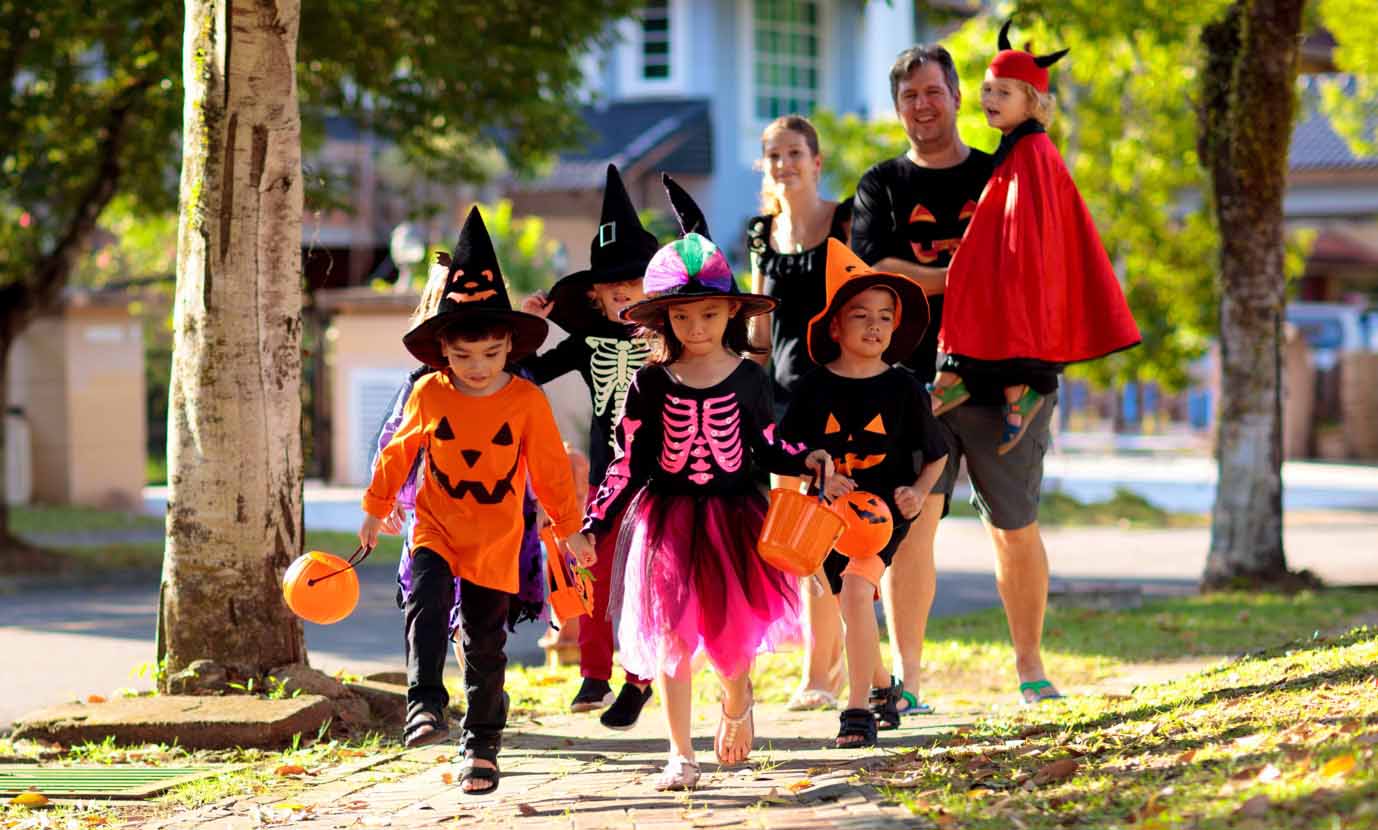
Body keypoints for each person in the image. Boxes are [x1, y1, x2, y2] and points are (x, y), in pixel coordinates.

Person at [850, 43, 1064, 707]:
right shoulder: (881, 185)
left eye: (933, 91)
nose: (922, 105)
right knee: (912, 523)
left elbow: (1032, 255)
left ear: (958, 97)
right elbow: (874, 270)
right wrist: (959, 277)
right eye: (909, 95)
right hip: (914, 381)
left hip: (1004, 374)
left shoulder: (1003, 169)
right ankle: (909, 681)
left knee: (1014, 524)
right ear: (897, 107)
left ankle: (1030, 667)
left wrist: (933, 280)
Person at [583, 229, 832, 791]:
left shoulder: (748, 376)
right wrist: (593, 522)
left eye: (710, 315)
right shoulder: (649, 383)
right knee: (669, 632)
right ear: (663, 320)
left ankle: (737, 698)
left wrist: (808, 455)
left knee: (727, 632)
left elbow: (769, 441)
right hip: (666, 522)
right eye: (683, 317)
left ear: (731, 313)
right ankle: (680, 754)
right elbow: (627, 461)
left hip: (734, 517)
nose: (697, 329)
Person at [359, 207, 595, 794]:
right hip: (437, 523)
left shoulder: (523, 401)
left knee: (485, 644)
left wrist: (570, 530)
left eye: (490, 355)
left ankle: (482, 745)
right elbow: (397, 451)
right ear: (442, 352)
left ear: (509, 347)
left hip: (496, 537)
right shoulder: (431, 394)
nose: (477, 369)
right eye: (463, 358)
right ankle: (424, 704)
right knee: (427, 598)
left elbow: (550, 472)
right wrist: (374, 506)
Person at [932, 21, 1139, 455]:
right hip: (1006, 267)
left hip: (1023, 270)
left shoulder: (1034, 152)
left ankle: (1014, 392)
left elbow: (1029, 230)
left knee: (988, 286)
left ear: (1032, 101)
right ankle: (959, 378)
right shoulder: (1017, 147)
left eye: (1003, 93)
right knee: (969, 275)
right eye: (988, 89)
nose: (990, 99)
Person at [780, 240, 948, 747]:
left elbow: (936, 452)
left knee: (856, 592)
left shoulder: (904, 388)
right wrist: (813, 469)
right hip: (825, 517)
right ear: (835, 326)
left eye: (884, 316)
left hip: (881, 516)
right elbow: (785, 448)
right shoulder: (812, 388)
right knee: (848, 605)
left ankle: (856, 712)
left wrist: (918, 493)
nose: (874, 326)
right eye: (860, 316)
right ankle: (882, 689)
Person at [519, 164, 658, 727]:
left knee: (648, 579)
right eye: (613, 292)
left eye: (635, 287)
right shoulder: (587, 343)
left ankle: (641, 678)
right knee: (595, 576)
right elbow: (528, 372)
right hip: (607, 476)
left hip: (662, 477)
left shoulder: (670, 337)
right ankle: (595, 672)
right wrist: (529, 327)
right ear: (596, 299)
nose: (625, 297)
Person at [376, 253, 550, 676]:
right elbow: (396, 441)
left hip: (500, 514)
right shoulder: (424, 385)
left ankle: (482, 686)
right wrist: (388, 496)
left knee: (482, 614)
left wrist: (545, 503)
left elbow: (540, 452)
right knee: (438, 603)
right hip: (437, 512)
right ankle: (448, 694)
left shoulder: (516, 383)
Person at [742, 115, 852, 711]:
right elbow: (760, 328)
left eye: (794, 153)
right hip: (782, 401)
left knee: (839, 532)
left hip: (839, 397)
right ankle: (819, 669)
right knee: (796, 538)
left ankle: (830, 671)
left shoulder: (847, 221)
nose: (784, 165)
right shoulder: (761, 234)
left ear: (816, 159)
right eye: (774, 156)